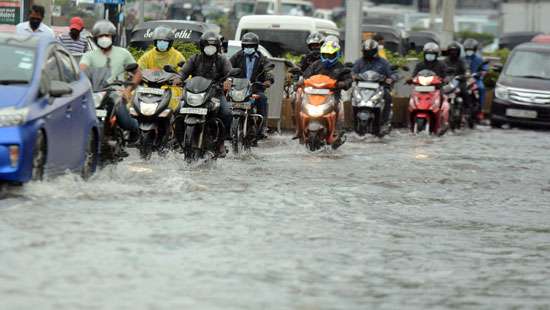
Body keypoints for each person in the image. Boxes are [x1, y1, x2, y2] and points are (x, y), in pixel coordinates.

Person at [80, 20, 139, 135]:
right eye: (100, 36)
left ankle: (136, 130)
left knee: (125, 121)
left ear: (112, 36)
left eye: (106, 35)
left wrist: (128, 90)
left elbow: (137, 73)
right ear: (96, 38)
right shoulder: (89, 55)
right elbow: (81, 70)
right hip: (95, 94)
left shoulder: (123, 53)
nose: (104, 38)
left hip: (116, 94)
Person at [179, 32, 233, 154]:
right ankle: (180, 141)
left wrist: (228, 81)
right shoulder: (195, 58)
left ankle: (221, 143)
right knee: (178, 111)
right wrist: (178, 78)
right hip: (194, 95)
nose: (210, 48)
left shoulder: (222, 60)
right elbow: (183, 72)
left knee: (227, 113)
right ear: (202, 46)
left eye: (213, 46)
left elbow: (229, 74)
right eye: (207, 45)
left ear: (218, 47)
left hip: (215, 94)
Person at [299, 39, 352, 146]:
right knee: (299, 102)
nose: (328, 58)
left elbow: (348, 79)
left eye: (331, 55)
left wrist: (343, 83)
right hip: (312, 95)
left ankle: (337, 130)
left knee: (338, 106)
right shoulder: (315, 65)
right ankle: (299, 130)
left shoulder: (340, 67)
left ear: (337, 54)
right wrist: (300, 82)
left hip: (332, 95)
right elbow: (305, 76)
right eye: (326, 55)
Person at [229, 32, 274, 139]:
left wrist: (268, 80)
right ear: (243, 46)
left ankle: (262, 127)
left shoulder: (262, 59)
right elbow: (228, 68)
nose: (248, 48)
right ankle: (227, 129)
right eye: (246, 46)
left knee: (262, 99)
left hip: (255, 89)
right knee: (226, 103)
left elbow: (268, 70)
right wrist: (227, 78)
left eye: (251, 46)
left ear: (256, 46)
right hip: (238, 89)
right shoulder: (237, 56)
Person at [352, 39, 396, 126]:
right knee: (352, 97)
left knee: (388, 97)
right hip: (362, 88)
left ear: (375, 51)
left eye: (370, 52)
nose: (368, 54)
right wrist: (353, 75)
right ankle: (353, 119)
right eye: (366, 51)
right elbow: (353, 72)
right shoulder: (359, 62)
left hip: (380, 87)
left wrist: (391, 79)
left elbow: (392, 74)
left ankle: (384, 121)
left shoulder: (383, 62)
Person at [463, 38, 489, 120]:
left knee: (481, 89)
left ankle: (480, 110)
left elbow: (484, 68)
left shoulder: (479, 59)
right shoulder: (462, 59)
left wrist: (482, 73)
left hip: (476, 79)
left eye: (471, 50)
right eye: (467, 50)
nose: (469, 51)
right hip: (464, 79)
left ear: (475, 49)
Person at [444, 41, 471, 110]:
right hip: (448, 82)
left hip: (459, 81)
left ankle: (467, 109)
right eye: (451, 50)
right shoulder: (445, 61)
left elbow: (466, 69)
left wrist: (466, 74)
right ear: (448, 51)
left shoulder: (461, 61)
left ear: (458, 52)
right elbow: (440, 69)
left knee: (465, 92)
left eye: (455, 51)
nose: (453, 52)